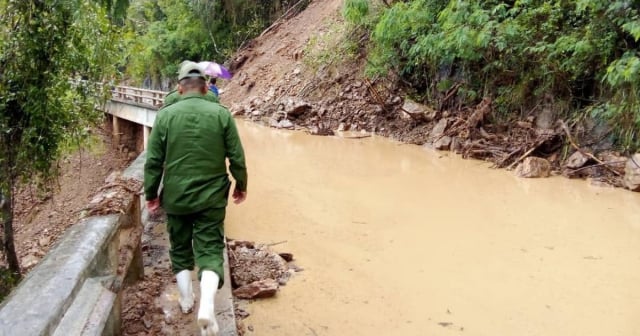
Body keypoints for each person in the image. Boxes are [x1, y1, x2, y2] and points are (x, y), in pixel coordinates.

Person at [144, 61, 248, 335]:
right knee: (211, 249)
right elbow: (236, 156)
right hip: (212, 197)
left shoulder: (166, 115)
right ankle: (207, 306)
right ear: (205, 88)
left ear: (179, 88)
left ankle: (188, 300)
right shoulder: (221, 114)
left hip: (177, 197)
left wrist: (151, 194)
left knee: (180, 247)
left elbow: (153, 161)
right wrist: (241, 185)